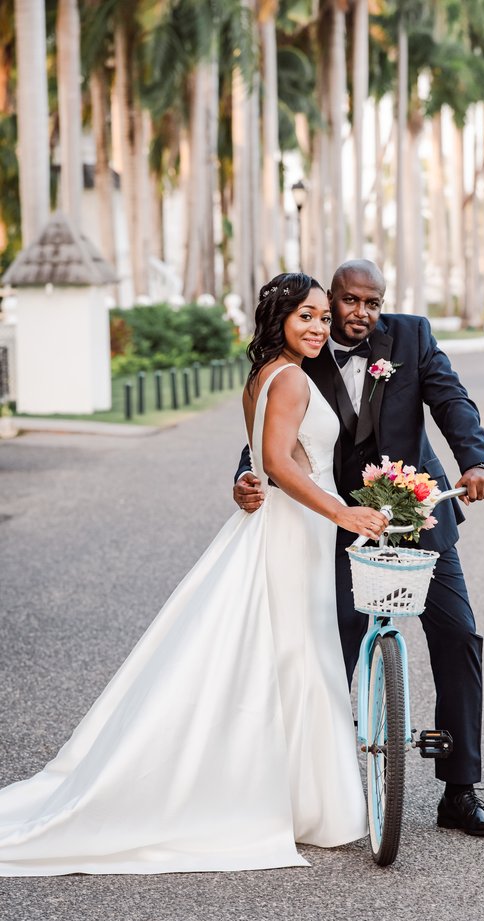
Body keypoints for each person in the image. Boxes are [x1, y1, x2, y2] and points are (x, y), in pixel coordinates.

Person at [0, 272, 387, 876]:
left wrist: (277, 491)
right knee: (297, 655)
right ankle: (298, 804)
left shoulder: (264, 375)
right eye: (305, 317)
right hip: (294, 528)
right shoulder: (288, 380)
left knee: (293, 653)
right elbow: (281, 465)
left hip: (289, 528)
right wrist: (343, 512)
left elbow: (263, 461)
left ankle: (289, 795)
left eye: (321, 318)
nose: (317, 327)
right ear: (279, 319)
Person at [235, 259, 484, 838]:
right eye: (349, 301)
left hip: (417, 511)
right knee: (330, 637)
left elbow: (452, 401)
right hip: (334, 518)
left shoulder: (411, 336)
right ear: (328, 299)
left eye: (372, 302)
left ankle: (460, 791)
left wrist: (477, 460)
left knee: (458, 633)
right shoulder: (303, 346)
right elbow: (274, 429)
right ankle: (323, 784)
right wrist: (247, 474)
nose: (360, 313)